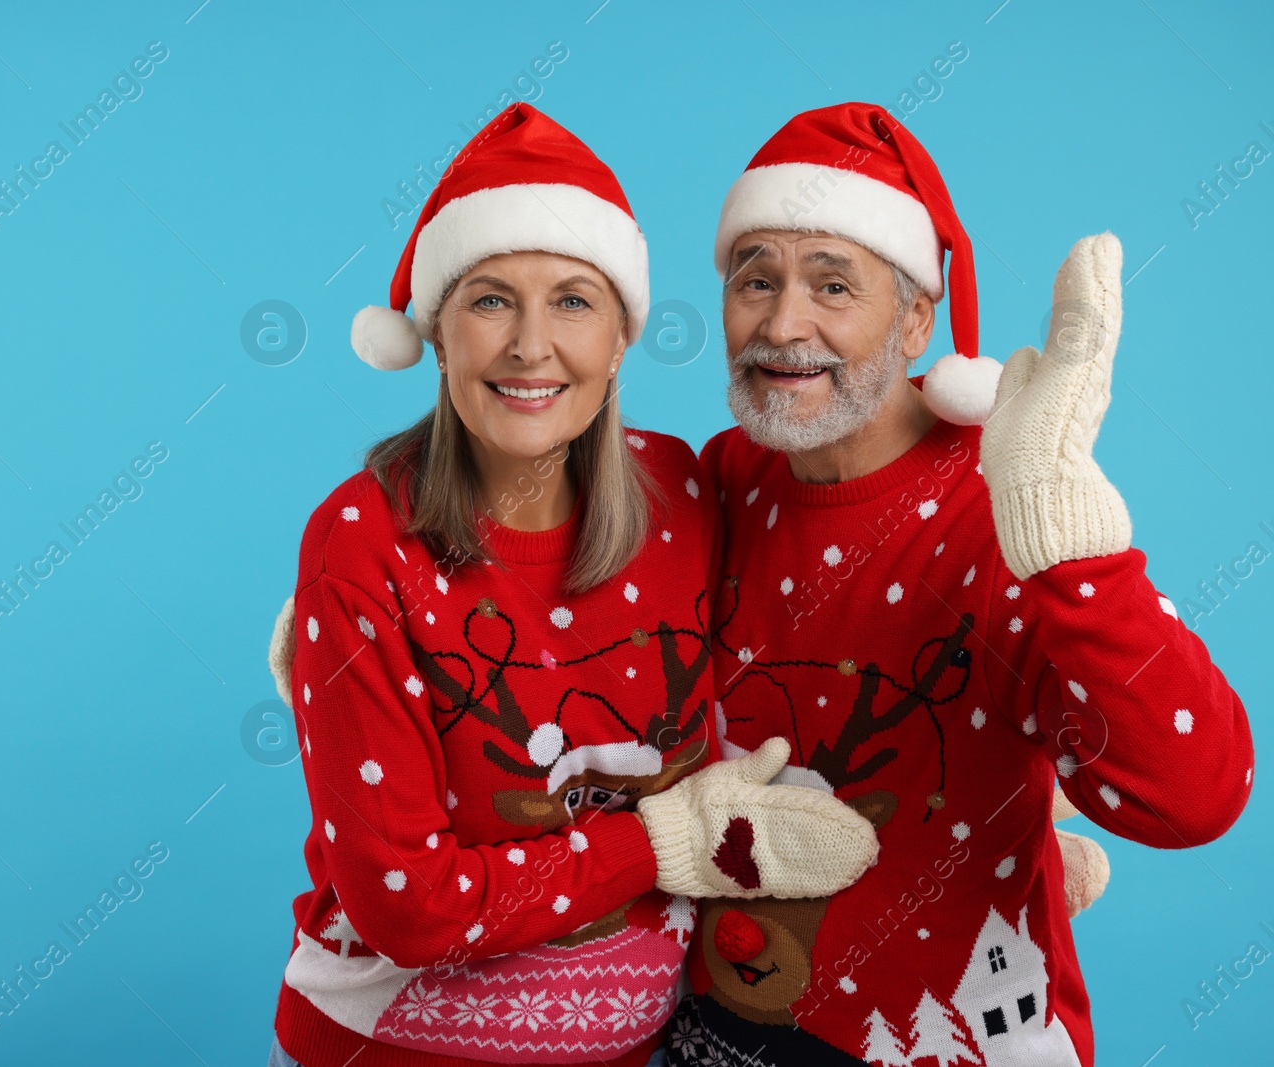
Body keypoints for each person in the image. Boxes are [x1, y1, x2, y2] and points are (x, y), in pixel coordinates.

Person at [264, 103, 881, 1067]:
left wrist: (1005, 832)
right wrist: (664, 843)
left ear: (623, 335)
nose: (529, 345)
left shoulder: (684, 492)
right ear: (436, 330)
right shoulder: (363, 540)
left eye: (573, 301)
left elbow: (813, 641)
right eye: (490, 299)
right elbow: (407, 910)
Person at [670, 102, 1254, 1066]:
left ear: (914, 320)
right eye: (755, 279)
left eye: (833, 284)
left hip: (948, 1039)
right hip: (728, 1023)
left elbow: (1198, 797)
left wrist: (1073, 549)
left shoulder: (1007, 504)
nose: (782, 323)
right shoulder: (727, 476)